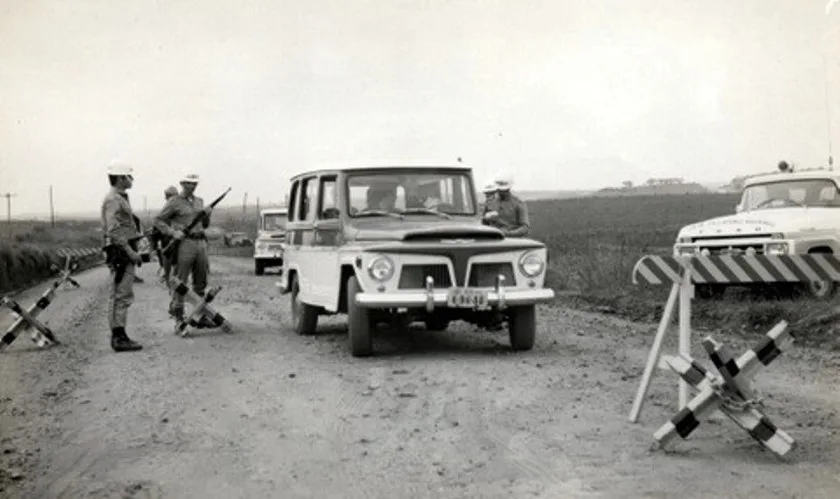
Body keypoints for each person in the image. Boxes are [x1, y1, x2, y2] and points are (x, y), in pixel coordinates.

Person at [154, 173, 215, 328]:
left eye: (195, 183)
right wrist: (173, 232)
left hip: (200, 242)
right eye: (189, 183)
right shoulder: (174, 202)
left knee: (200, 282)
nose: (193, 186)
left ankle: (200, 316)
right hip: (184, 243)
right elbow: (158, 220)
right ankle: (179, 318)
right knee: (180, 282)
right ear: (182, 183)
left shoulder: (199, 201)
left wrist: (208, 215)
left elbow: (205, 225)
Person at [100, 160, 144, 352]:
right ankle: (118, 337)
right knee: (120, 294)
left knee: (123, 293)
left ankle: (120, 334)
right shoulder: (113, 200)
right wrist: (131, 252)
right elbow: (114, 230)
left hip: (123, 250)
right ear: (119, 178)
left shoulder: (120, 198)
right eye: (128, 176)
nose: (131, 179)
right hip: (120, 252)